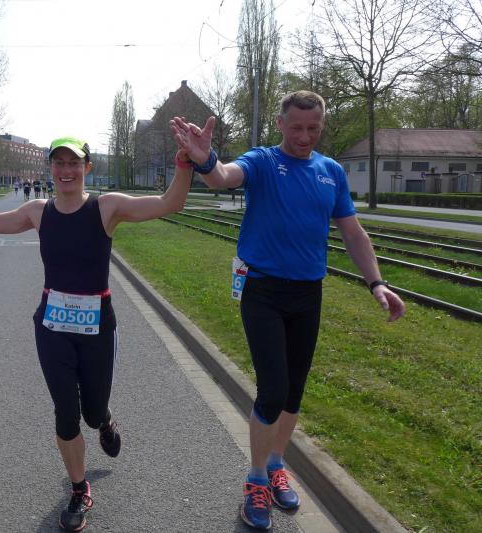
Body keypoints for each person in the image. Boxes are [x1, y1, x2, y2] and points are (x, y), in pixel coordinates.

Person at [171, 91, 406, 530]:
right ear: (280, 124)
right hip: (263, 290)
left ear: (322, 126)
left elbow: (353, 233)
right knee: (273, 390)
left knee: (294, 391)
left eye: (313, 128)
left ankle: (277, 462)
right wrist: (205, 160)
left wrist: (377, 282)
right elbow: (223, 177)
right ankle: (256, 479)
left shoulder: (331, 172)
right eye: (296, 127)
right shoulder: (263, 161)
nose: (304, 136)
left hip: (307, 294)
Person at [0, 133, 193, 531]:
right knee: (66, 413)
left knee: (92, 412)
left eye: (74, 163)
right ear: (50, 168)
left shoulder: (106, 207)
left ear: (86, 168)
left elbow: (170, 203)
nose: (66, 170)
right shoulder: (38, 211)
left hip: (97, 329)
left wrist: (184, 162)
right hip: (52, 328)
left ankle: (104, 419)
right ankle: (79, 490)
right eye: (59, 163)